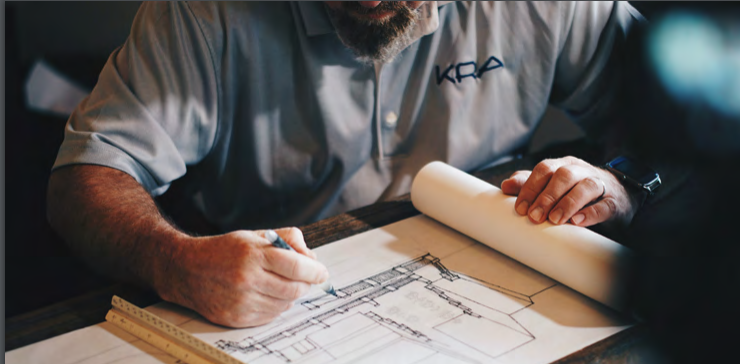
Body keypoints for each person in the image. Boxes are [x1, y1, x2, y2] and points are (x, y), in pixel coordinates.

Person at [47, 1, 644, 328]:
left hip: (505, 297)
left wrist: (622, 181)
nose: (372, 0)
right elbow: (85, 177)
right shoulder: (202, 14)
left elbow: (705, 120)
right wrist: (172, 261)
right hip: (269, 303)